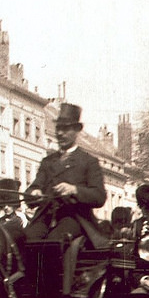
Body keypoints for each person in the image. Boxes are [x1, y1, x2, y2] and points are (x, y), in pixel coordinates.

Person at [23, 103, 107, 245]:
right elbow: (32, 190)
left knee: (54, 242)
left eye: (65, 129)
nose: (60, 133)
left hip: (75, 218)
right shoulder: (48, 161)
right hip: (45, 217)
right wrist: (34, 193)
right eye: (58, 128)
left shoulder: (88, 161)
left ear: (77, 130)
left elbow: (99, 196)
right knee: (26, 239)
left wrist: (74, 190)